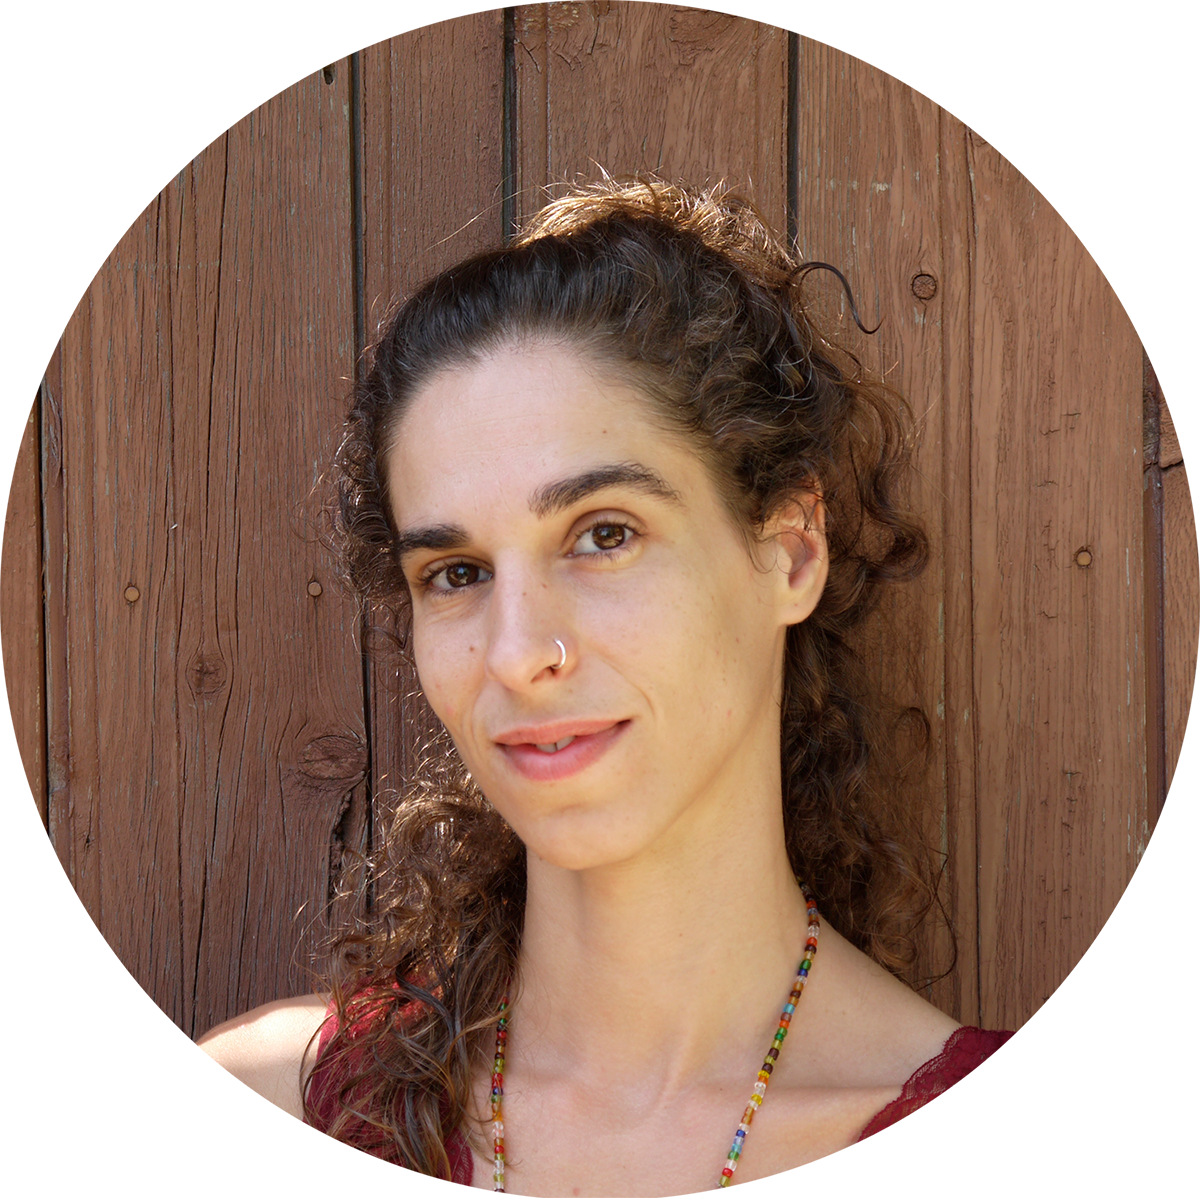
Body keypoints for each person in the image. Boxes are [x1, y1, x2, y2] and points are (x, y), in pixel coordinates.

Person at [198, 172, 1014, 1191]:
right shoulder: (262, 1120)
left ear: (790, 551)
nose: (517, 652)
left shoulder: (1002, 1157)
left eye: (604, 535)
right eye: (456, 573)